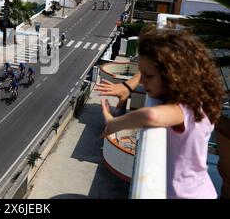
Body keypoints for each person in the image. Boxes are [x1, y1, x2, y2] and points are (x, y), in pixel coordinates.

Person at [95, 26, 225, 199]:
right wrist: (130, 85)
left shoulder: (181, 110)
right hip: (203, 190)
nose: (144, 82)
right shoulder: (200, 101)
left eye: (148, 77)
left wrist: (113, 124)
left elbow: (151, 116)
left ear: (172, 75)